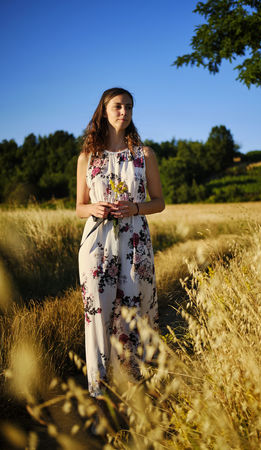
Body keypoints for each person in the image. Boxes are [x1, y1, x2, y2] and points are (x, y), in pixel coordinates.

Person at [76, 87, 165, 397]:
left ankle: (131, 391)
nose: (124, 111)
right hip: (96, 241)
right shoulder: (88, 156)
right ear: (104, 110)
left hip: (134, 240)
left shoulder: (144, 155)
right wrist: (93, 208)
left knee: (132, 312)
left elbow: (160, 202)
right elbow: (79, 207)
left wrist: (136, 208)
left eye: (129, 106)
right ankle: (98, 393)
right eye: (117, 106)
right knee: (97, 315)